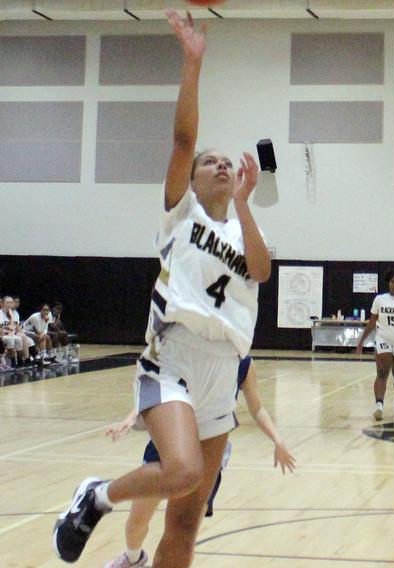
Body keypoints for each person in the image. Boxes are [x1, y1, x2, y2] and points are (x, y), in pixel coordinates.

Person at [53, 10, 271, 567]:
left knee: (185, 525)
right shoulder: (182, 213)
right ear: (192, 178)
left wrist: (245, 208)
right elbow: (183, 138)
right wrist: (192, 63)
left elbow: (262, 271)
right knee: (180, 473)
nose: (221, 165)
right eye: (210, 162)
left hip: (225, 369)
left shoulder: (244, 225)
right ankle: (95, 497)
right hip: (172, 355)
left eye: (228, 162)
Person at [103, 357, 295, 568]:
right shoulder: (188, 345)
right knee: (137, 521)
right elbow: (160, 387)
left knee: (185, 533)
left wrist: (278, 440)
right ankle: (133, 558)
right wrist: (131, 417)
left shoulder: (244, 365)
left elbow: (257, 408)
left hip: (209, 450)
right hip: (169, 440)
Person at [356, 269, 394, 421]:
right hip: (383, 338)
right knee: (382, 372)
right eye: (392, 282)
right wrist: (362, 340)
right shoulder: (380, 300)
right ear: (388, 283)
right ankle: (379, 405)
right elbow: (372, 321)